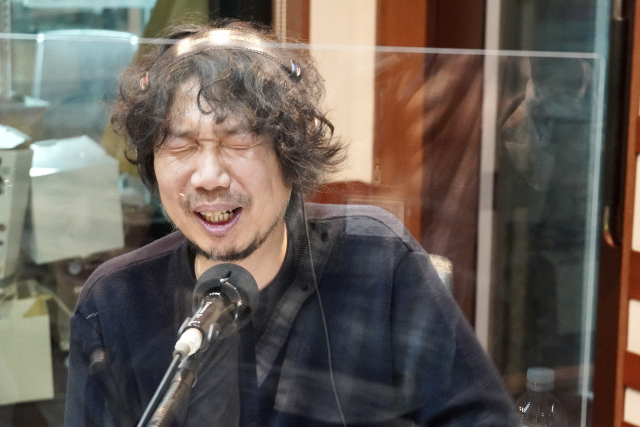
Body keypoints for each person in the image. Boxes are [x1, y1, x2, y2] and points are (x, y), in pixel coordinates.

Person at [65, 21, 519, 427]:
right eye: (181, 147)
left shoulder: (378, 261)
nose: (208, 177)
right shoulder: (113, 302)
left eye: (239, 141)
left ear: (291, 155)